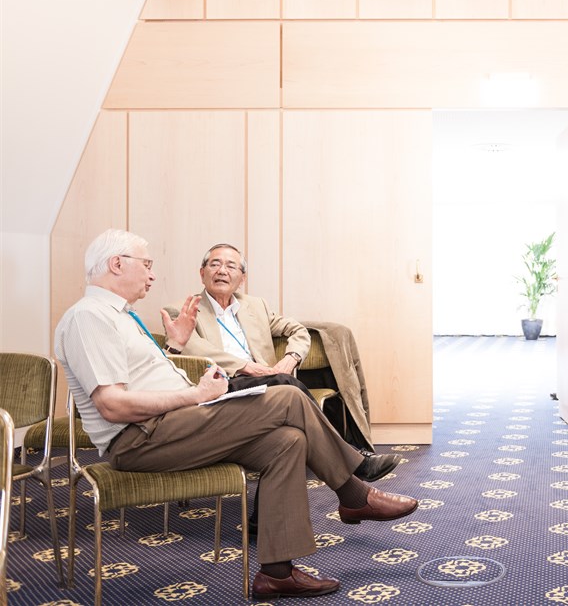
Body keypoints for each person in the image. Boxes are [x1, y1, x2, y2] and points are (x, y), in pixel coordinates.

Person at [54, 229, 419, 600]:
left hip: (172, 427)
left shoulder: (120, 316)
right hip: (140, 439)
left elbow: (142, 379)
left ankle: (277, 572)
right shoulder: (90, 318)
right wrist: (196, 395)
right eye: (146, 265)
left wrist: (174, 347)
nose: (151, 275)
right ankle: (354, 493)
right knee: (288, 398)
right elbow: (112, 406)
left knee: (287, 441)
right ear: (117, 264)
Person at [167, 243, 399, 482]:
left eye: (230, 266)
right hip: (223, 386)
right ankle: (354, 459)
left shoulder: (255, 306)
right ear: (202, 272)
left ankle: (274, 510)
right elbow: (192, 346)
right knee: (287, 385)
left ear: (242, 277)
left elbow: (298, 330)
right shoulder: (181, 310)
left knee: (290, 433)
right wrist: (244, 366)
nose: (222, 271)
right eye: (214, 264)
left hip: (265, 385)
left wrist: (292, 357)